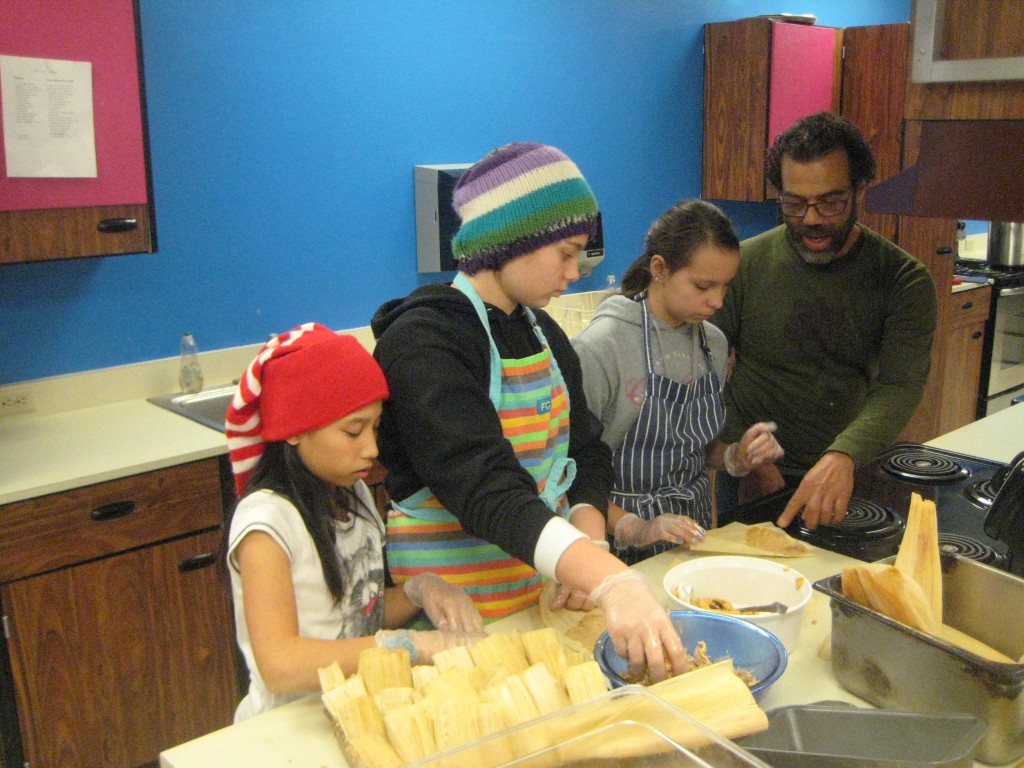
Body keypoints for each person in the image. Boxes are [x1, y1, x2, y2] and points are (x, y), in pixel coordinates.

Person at [371, 142, 688, 682]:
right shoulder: (424, 342)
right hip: (447, 628)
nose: (576, 271)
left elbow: (586, 451)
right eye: (565, 252)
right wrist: (611, 578)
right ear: (508, 241)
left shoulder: (541, 331)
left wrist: (587, 539)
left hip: (534, 606)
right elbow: (486, 488)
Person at [223, 323, 483, 722]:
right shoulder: (267, 524)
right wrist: (407, 645)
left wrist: (419, 590)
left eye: (375, 427)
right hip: (289, 726)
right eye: (353, 430)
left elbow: (357, 616)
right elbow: (280, 665)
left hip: (353, 710)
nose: (372, 448)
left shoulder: (351, 493)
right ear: (295, 430)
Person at [711, 112, 938, 530]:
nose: (811, 218)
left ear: (859, 189)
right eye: (794, 203)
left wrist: (844, 455)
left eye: (830, 202)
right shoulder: (744, 264)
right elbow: (704, 370)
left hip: (847, 470)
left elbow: (899, 385)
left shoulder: (903, 279)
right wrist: (751, 458)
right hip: (750, 469)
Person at [572, 200, 785, 564]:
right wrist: (636, 528)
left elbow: (693, 452)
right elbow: (569, 473)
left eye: (725, 286)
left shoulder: (712, 344)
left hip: (694, 540)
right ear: (660, 268)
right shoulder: (602, 346)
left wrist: (736, 456)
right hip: (617, 549)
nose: (717, 301)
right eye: (703, 286)